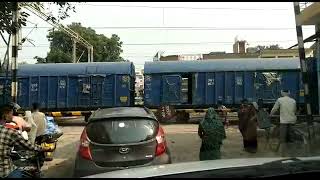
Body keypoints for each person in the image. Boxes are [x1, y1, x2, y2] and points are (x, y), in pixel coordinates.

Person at [0, 105, 44, 178]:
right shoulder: (10, 131)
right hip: (5, 171)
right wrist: (42, 148)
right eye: (11, 114)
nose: (12, 116)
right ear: (5, 116)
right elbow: (28, 146)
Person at [270, 90, 297, 157]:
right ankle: (292, 154)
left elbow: (274, 109)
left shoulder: (279, 100)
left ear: (282, 93)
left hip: (284, 122)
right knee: (292, 138)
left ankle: (283, 155)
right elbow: (294, 110)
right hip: (292, 121)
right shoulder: (293, 101)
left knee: (283, 139)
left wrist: (270, 115)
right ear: (289, 93)